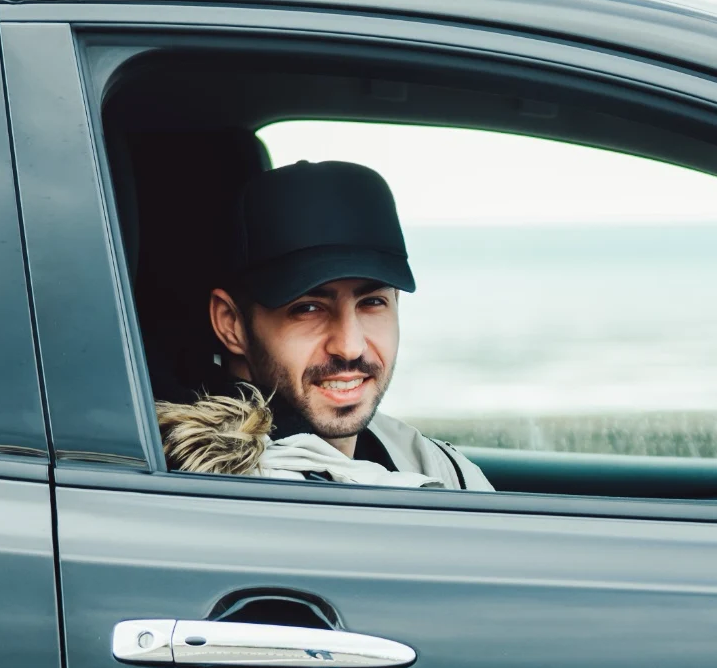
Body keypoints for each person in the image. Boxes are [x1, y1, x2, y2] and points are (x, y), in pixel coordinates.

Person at [156, 160, 491, 490]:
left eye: (372, 302)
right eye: (308, 308)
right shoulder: (223, 489)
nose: (350, 346)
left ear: (396, 303)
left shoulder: (431, 461)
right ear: (231, 323)